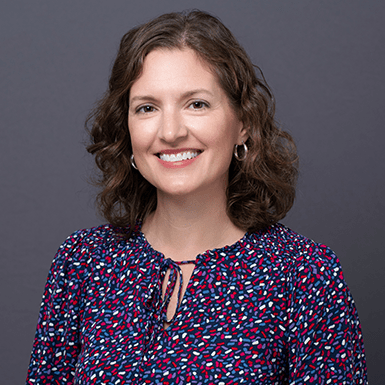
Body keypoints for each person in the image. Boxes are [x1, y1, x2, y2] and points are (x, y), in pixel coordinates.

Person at [26, 10, 367, 384]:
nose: (170, 132)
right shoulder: (82, 264)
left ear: (244, 124)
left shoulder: (306, 275)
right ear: (126, 130)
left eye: (197, 104)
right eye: (147, 108)